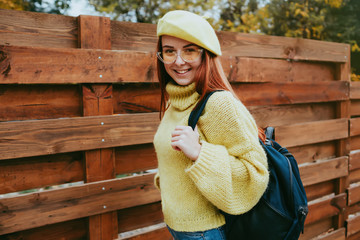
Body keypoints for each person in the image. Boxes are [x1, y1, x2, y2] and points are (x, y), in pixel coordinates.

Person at [153, 10, 269, 240]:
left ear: (206, 54)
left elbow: (255, 173)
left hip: (206, 232)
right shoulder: (175, 102)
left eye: (189, 50)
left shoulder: (218, 104)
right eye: (169, 51)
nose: (178, 61)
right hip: (181, 228)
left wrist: (199, 153)